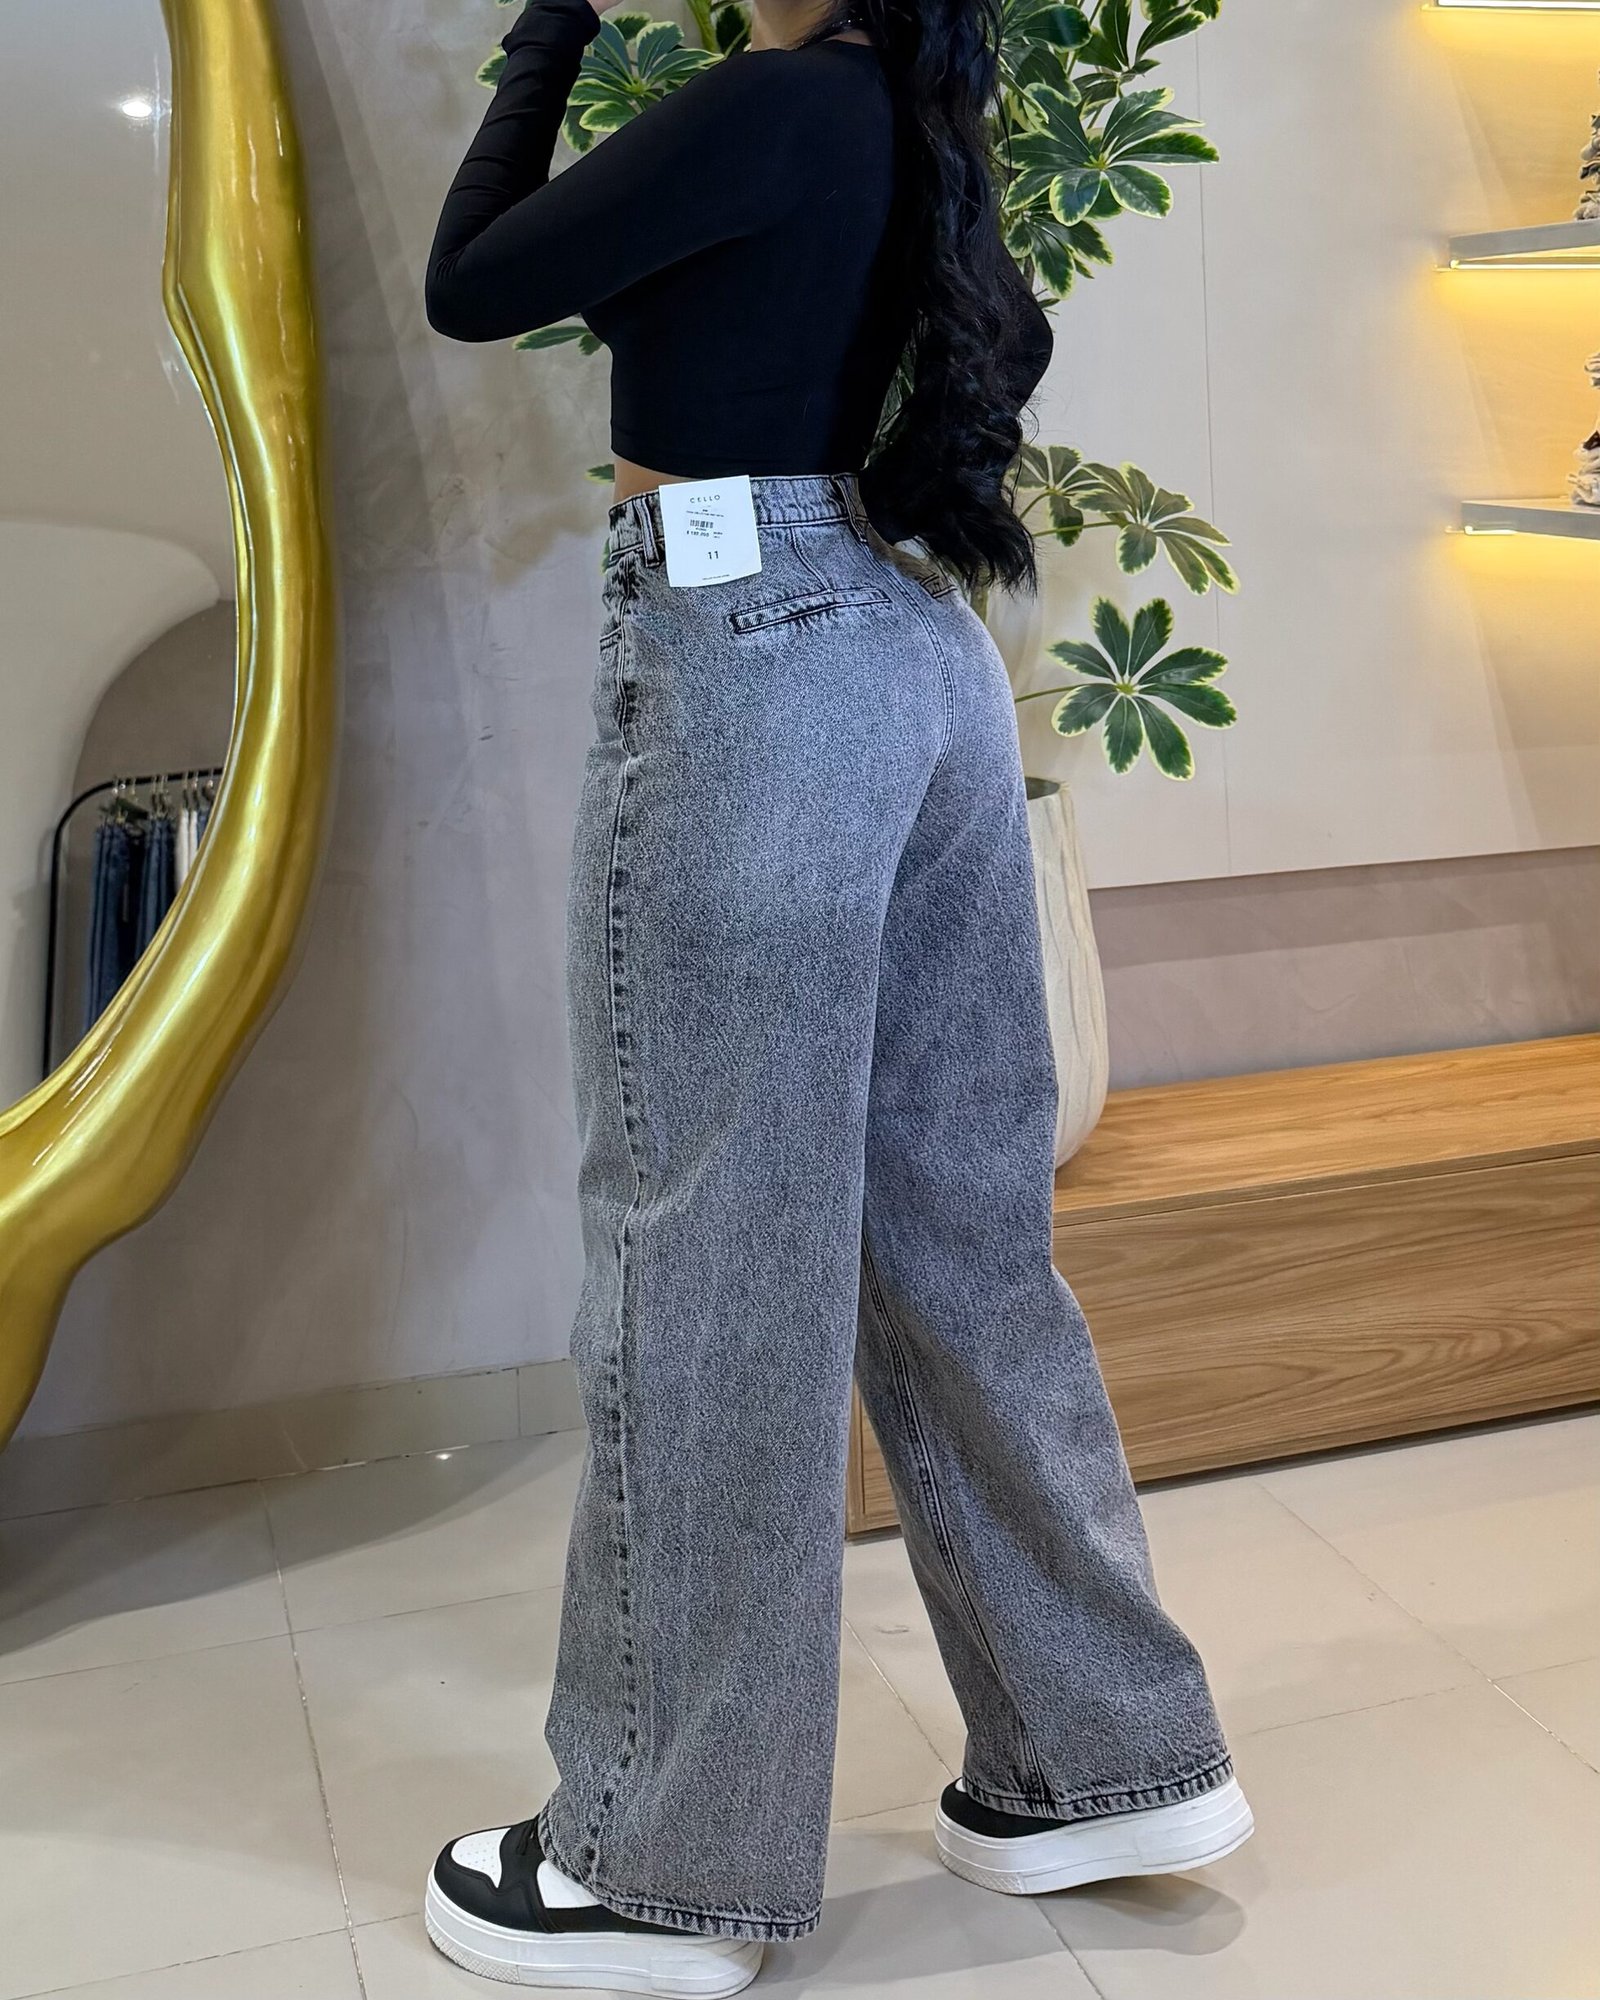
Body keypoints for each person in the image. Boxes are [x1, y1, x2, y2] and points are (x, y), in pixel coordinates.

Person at [422, 0, 1252, 1987]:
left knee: (705, 1261)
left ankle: (659, 1871)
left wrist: (548, 32)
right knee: (959, 1243)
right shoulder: (909, 110)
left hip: (748, 661)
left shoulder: (768, 106)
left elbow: (473, 280)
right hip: (912, 648)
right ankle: (1101, 1760)